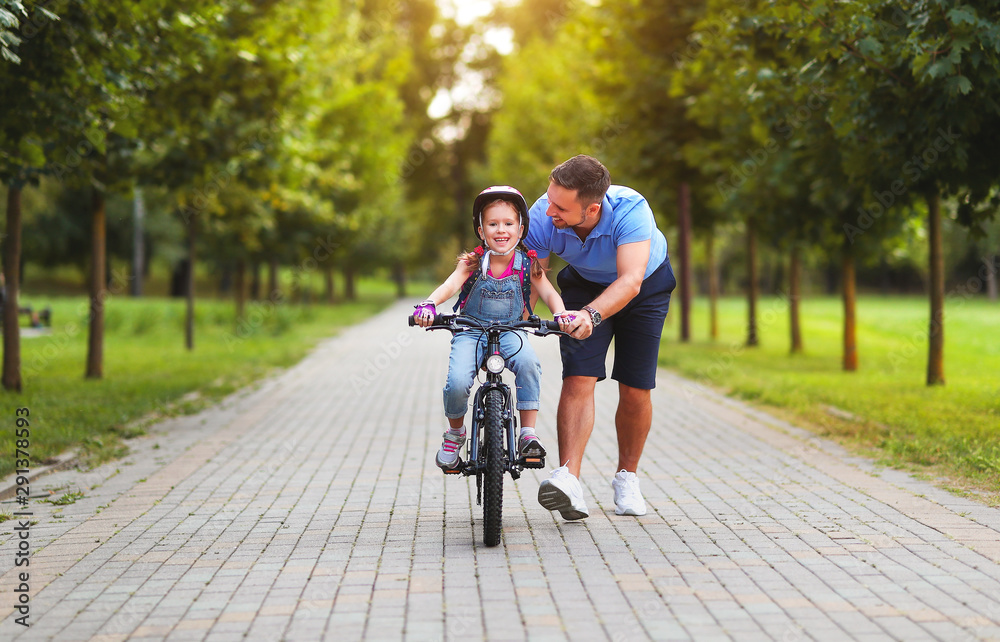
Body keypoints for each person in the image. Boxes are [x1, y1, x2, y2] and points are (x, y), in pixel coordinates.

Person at [524, 155, 676, 519]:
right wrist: (517, 324)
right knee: (578, 375)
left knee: (636, 384)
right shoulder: (543, 213)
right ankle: (569, 479)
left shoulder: (632, 210)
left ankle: (627, 478)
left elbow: (630, 281)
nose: (549, 212)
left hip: (644, 287)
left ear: (592, 209)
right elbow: (533, 276)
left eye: (561, 207)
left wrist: (593, 315)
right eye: (550, 199)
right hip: (583, 284)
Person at [413, 186, 574, 471]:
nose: (501, 230)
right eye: (493, 224)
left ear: (521, 229)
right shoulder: (471, 263)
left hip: (512, 331)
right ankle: (455, 433)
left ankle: (527, 434)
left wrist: (560, 314)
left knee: (528, 364)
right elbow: (450, 286)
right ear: (481, 230)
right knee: (457, 381)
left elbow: (549, 293)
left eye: (508, 223)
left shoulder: (528, 263)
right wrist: (429, 305)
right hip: (470, 331)